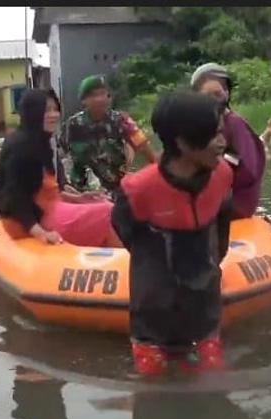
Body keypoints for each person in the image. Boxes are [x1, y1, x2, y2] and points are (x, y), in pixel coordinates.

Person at [111, 91, 233, 376]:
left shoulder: (224, 175)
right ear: (181, 141)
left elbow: (223, 226)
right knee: (152, 388)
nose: (222, 143)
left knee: (213, 376)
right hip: (154, 316)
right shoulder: (138, 190)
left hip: (204, 310)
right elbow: (125, 230)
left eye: (221, 133)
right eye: (214, 135)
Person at [0, 88, 121, 247]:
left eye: (55, 109)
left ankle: (117, 259)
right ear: (33, 112)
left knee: (106, 204)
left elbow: (47, 190)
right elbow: (14, 199)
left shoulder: (44, 142)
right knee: (105, 213)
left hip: (48, 211)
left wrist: (79, 198)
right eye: (46, 110)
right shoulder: (20, 147)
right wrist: (41, 233)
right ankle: (128, 263)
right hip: (31, 222)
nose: (54, 115)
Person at [191, 62, 271, 219]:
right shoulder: (201, 125)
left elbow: (247, 170)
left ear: (227, 93)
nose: (213, 100)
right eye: (207, 96)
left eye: (218, 93)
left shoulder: (235, 124)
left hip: (235, 203)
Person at [57, 74, 157, 193]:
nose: (100, 99)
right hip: (81, 192)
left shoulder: (121, 121)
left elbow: (143, 146)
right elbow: (58, 156)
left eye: (103, 94)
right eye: (94, 95)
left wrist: (159, 173)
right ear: (84, 100)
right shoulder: (72, 125)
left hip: (117, 189)